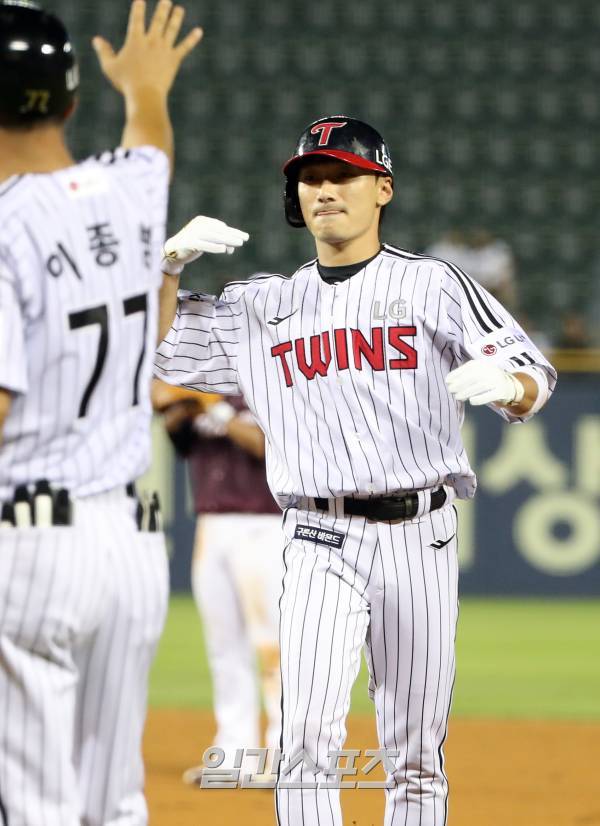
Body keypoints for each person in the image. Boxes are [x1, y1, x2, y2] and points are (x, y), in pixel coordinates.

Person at [153, 116, 557, 825]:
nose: (324, 189)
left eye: (342, 175)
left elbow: (534, 371)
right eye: (310, 178)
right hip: (316, 536)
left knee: (415, 753)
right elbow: (155, 353)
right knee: (305, 737)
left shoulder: (432, 283)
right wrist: (163, 271)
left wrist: (509, 386)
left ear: (382, 189)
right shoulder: (261, 306)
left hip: (422, 534)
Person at [0, 2, 207, 824]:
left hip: (29, 547)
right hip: (130, 545)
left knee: (34, 808)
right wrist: (146, 86)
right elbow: (153, 142)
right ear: (71, 102)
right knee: (114, 802)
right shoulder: (131, 190)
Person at [151, 380, 283, 784]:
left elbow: (266, 447)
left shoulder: (269, 380)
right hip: (212, 524)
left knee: (274, 649)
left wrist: (213, 408)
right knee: (224, 646)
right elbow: (184, 442)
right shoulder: (201, 378)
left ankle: (287, 753)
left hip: (266, 525)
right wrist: (177, 412)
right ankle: (232, 753)